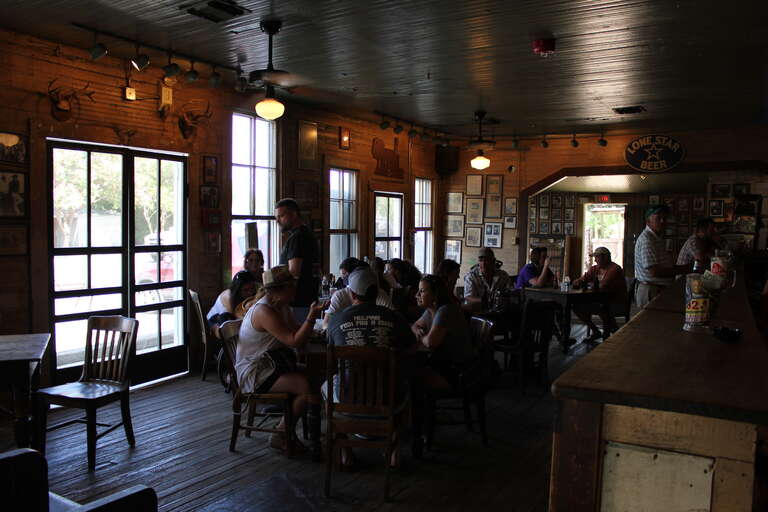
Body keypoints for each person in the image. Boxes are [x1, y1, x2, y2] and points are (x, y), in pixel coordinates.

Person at [326, 267, 416, 467]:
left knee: (326, 385)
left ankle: (345, 450)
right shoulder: (394, 318)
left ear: (351, 294)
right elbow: (411, 347)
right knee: (405, 382)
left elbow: (330, 354)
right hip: (388, 396)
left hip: (348, 395)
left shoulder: (336, 320)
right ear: (377, 292)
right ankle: (393, 448)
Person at [235, 265, 326, 454]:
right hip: (255, 372)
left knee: (314, 377)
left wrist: (314, 331)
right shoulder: (264, 311)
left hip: (272, 365)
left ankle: (301, 433)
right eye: (292, 286)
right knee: (305, 386)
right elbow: (293, 341)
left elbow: (296, 330)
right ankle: (281, 433)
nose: (295, 289)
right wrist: (311, 317)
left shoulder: (281, 306)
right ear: (280, 289)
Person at [413, 275, 475, 391]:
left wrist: (421, 336)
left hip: (458, 372)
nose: (416, 295)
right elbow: (415, 326)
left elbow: (431, 343)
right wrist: (418, 330)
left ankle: (424, 407)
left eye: (421, 291)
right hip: (446, 364)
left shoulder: (445, 310)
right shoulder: (431, 310)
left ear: (435, 295)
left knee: (411, 376)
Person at [634, 205, 692, 307]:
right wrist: (683, 269)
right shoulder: (648, 240)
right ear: (648, 221)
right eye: (658, 218)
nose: (662, 221)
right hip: (651, 290)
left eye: (664, 218)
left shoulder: (655, 238)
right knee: (652, 322)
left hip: (657, 288)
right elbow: (654, 271)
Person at [275, 198, 320, 324]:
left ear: (294, 214)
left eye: (281, 216)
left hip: (298, 302)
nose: (278, 221)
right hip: (308, 299)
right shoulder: (307, 233)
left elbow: (294, 272)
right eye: (276, 217)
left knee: (296, 340)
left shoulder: (298, 237)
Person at [572, 247, 627, 341]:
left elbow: (602, 286)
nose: (594, 260)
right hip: (602, 301)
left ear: (605, 258)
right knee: (576, 306)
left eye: (597, 257)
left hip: (617, 303)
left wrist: (587, 284)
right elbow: (581, 280)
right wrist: (578, 281)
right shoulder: (595, 268)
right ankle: (598, 331)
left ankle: (611, 330)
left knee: (602, 307)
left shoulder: (615, 269)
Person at [323, 261, 394, 328]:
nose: (342, 277)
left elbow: (393, 317)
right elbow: (325, 324)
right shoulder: (340, 295)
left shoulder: (379, 293)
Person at [207, 270, 259, 336]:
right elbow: (233, 322)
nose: (250, 293)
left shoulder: (248, 296)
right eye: (245, 290)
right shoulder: (228, 297)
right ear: (238, 290)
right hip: (213, 326)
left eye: (252, 288)